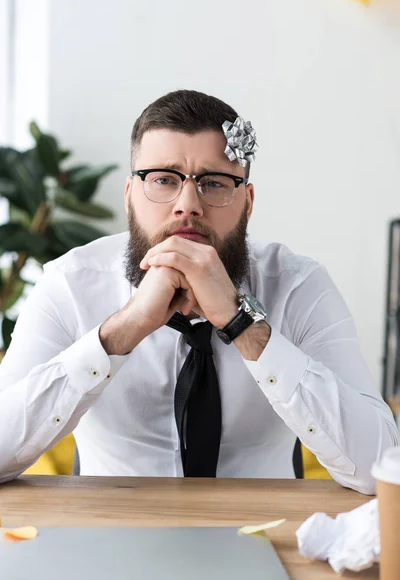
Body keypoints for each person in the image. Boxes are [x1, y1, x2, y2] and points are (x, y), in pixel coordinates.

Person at [0, 90, 397, 492]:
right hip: (112, 531)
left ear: (248, 201)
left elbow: (379, 468)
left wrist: (243, 325)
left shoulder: (300, 286)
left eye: (214, 183)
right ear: (129, 196)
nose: (188, 205)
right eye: (163, 180)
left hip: (266, 535)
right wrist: (124, 329)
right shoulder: (69, 284)